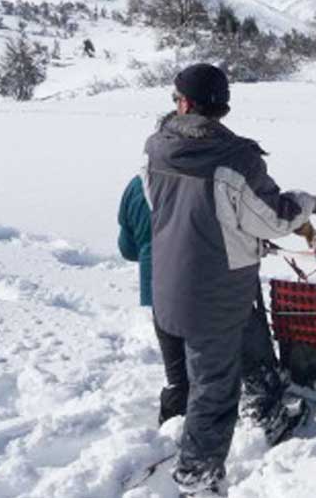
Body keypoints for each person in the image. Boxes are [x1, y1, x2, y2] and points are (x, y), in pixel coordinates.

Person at [141, 63, 316, 495]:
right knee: (215, 389)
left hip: (172, 282)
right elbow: (273, 218)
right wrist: (305, 203)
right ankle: (198, 477)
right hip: (214, 290)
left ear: (185, 103)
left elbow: (159, 204)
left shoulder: (156, 149)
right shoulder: (236, 159)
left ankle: (267, 411)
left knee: (251, 336)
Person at [117, 171, 306, 432]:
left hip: (161, 293)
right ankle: (264, 415)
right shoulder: (207, 178)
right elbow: (256, 220)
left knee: (178, 373)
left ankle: (174, 422)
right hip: (213, 287)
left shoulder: (139, 184)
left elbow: (127, 249)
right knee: (248, 350)